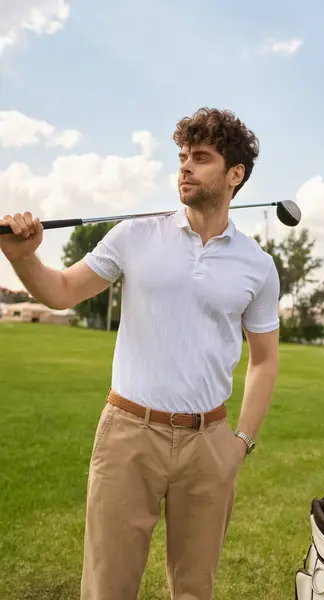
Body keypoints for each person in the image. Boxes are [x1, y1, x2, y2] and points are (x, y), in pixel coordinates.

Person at [0, 107, 280, 600]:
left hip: (208, 441)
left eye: (202, 158)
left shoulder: (257, 265)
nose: (186, 168)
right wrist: (25, 259)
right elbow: (62, 291)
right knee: (108, 588)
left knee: (195, 589)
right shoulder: (135, 234)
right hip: (128, 434)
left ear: (235, 175)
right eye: (182, 158)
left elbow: (264, 359)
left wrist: (240, 444)